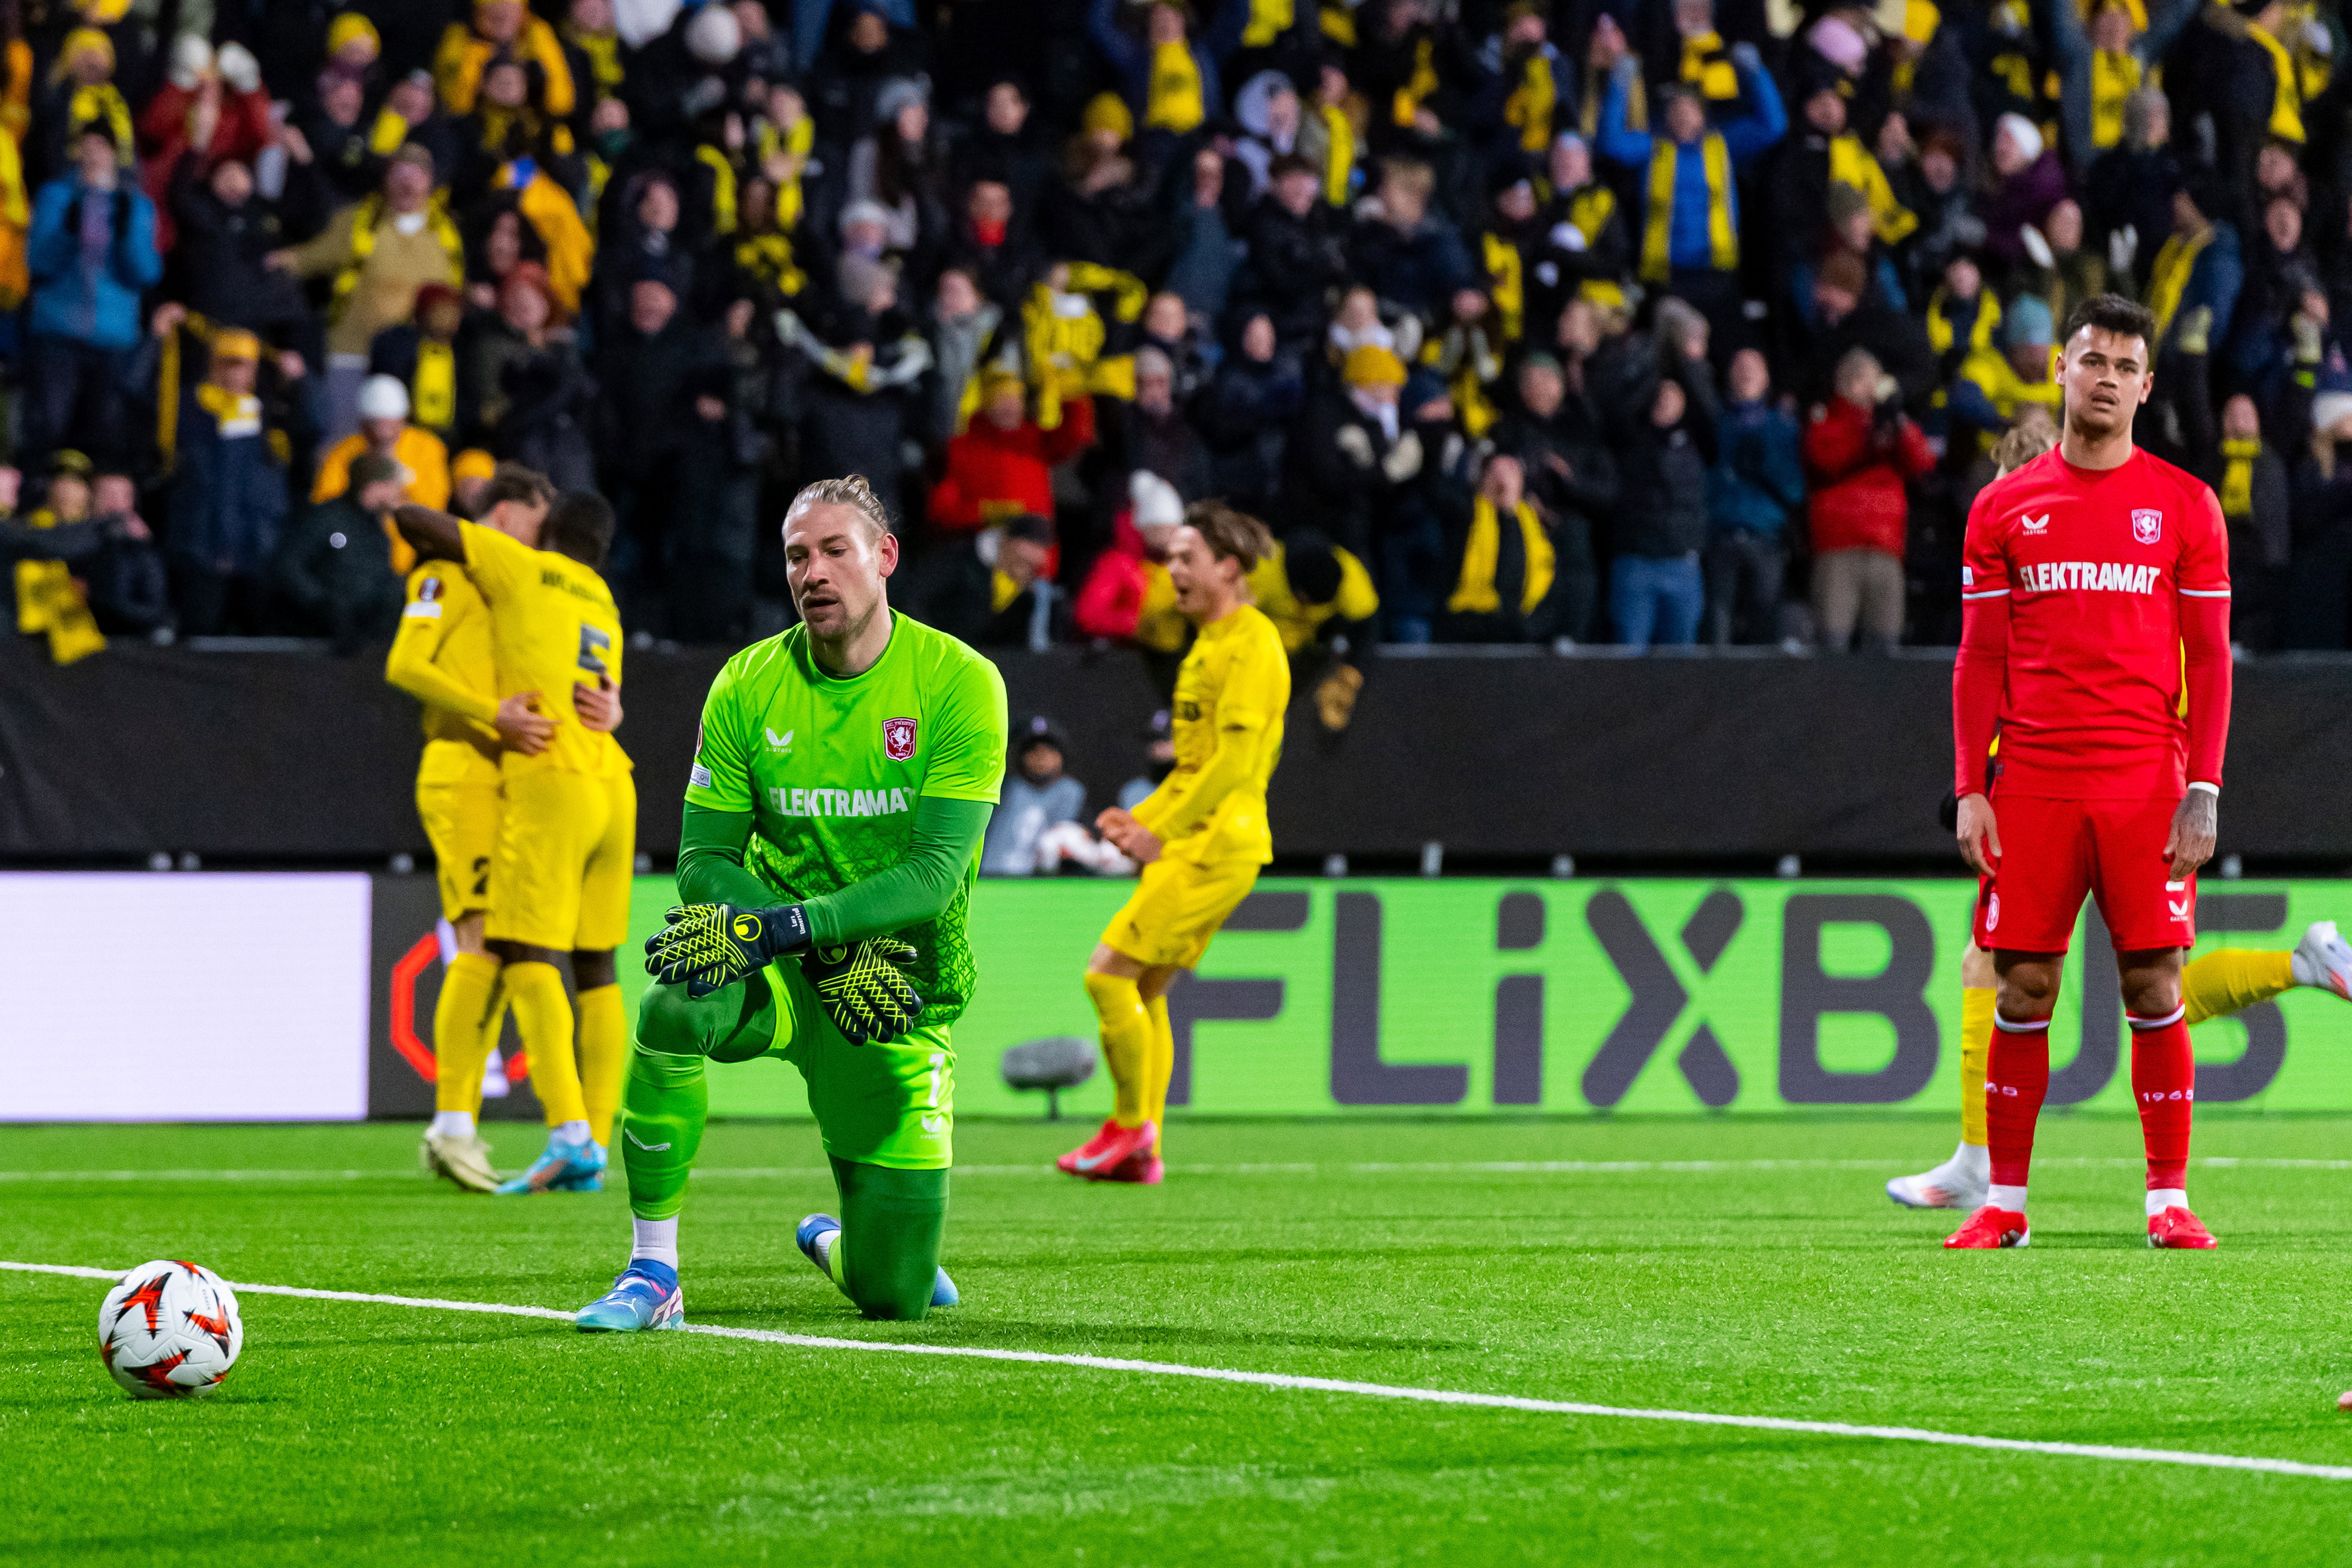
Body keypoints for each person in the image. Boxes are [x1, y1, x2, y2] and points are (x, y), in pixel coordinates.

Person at [575, 473, 1007, 1331]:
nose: (813, 571)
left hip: (895, 994)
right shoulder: (746, 683)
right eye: (796, 555)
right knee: (673, 1001)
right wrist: (800, 939)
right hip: (779, 965)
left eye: (834, 550)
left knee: (894, 1297)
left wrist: (802, 927)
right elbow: (702, 860)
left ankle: (847, 1237)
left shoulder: (960, 681)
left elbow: (933, 873)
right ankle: (653, 1271)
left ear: (884, 557)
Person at [1892, 417, 2352, 1210]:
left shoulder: (2127, 547)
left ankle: (1996, 1168)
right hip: (2084, 779)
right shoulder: (2068, 545)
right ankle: (2299, 964)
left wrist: (2190, 783)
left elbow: (2122, 674)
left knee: (2132, 981)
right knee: (2042, 973)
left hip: (2137, 780)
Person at [1946, 293, 2233, 1250]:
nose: (2105, 379)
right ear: (2058, 372)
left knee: (2155, 985)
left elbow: (2212, 654)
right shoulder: (2001, 508)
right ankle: (2006, 1204)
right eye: (2090, 360)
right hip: (2029, 781)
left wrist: (2206, 787)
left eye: (2123, 366)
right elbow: (1978, 658)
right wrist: (1971, 786)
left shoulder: (2186, 504)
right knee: (2023, 985)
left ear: (2147, 386)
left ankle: (2168, 1200)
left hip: (2145, 780)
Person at [392, 485, 635, 1201]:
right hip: (478, 771)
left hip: (537, 775)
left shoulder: (524, 576)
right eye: (535, 506)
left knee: (510, 949)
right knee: (498, 946)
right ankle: (462, 1123)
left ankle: (570, 1136)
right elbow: (407, 664)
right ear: (509, 512)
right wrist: (489, 714)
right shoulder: (458, 572)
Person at [1062, 502, 1289, 1183]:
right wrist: (1140, 817)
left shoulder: (1252, 643)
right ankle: (1143, 1146)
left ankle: (1130, 1128)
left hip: (1217, 843)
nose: (1173, 570)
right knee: (1147, 986)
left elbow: (1233, 767)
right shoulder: (1211, 642)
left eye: (1187, 558)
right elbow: (1196, 767)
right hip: (1196, 838)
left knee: (1106, 976)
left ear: (1228, 565)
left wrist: (1155, 825)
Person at [1803, 346, 1935, 653]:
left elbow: (1922, 463)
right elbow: (1825, 458)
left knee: (1885, 650)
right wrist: (1868, 436)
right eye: (1867, 379)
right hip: (1839, 549)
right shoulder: (1828, 419)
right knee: (1832, 648)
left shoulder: (1891, 421)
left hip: (1885, 550)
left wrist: (1899, 426)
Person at [981, 717, 1089, 876]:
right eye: (1032, 751)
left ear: (1061, 756)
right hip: (992, 874)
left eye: (1048, 750)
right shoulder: (1007, 787)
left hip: (1040, 881)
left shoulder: (1071, 791)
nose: (1041, 757)